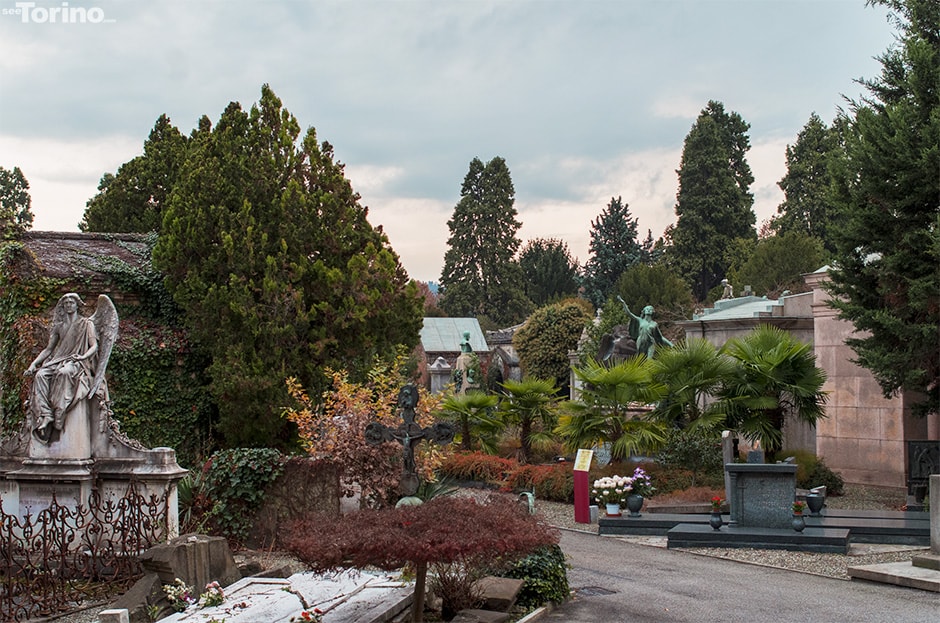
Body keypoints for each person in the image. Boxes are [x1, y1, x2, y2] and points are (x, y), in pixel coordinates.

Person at [24, 293, 99, 443]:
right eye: (66, 303)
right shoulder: (59, 326)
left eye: (72, 302)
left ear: (77, 305)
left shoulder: (86, 323)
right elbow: (48, 349)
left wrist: (82, 357)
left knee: (64, 373)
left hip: (77, 361)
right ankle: (46, 414)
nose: (69, 305)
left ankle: (60, 411)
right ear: (63, 307)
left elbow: (94, 346)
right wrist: (34, 364)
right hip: (59, 359)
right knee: (40, 375)